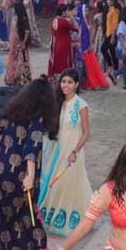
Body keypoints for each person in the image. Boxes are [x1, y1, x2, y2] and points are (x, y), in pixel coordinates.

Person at [0, 78, 57, 250]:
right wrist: (30, 176)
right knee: (23, 215)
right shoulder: (37, 120)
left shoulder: (11, 112)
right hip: (19, 174)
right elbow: (31, 149)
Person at [39, 69, 93, 238]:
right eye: (63, 82)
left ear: (77, 85)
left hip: (72, 152)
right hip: (57, 151)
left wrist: (75, 151)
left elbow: (85, 132)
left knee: (70, 183)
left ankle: (71, 219)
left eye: (70, 82)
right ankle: (50, 216)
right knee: (54, 183)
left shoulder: (81, 105)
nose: (66, 85)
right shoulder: (57, 102)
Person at [5, 1, 32, 86]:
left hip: (20, 44)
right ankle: (13, 78)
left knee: (22, 61)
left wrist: (23, 43)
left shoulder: (22, 18)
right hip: (14, 45)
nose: (13, 11)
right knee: (14, 61)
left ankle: (22, 79)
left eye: (14, 9)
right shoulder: (15, 18)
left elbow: (27, 32)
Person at [48, 3, 76, 78]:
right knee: (65, 61)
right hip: (64, 44)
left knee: (57, 60)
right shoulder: (64, 22)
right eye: (66, 11)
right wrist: (72, 18)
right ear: (63, 12)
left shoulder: (55, 20)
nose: (67, 12)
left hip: (56, 43)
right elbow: (75, 28)